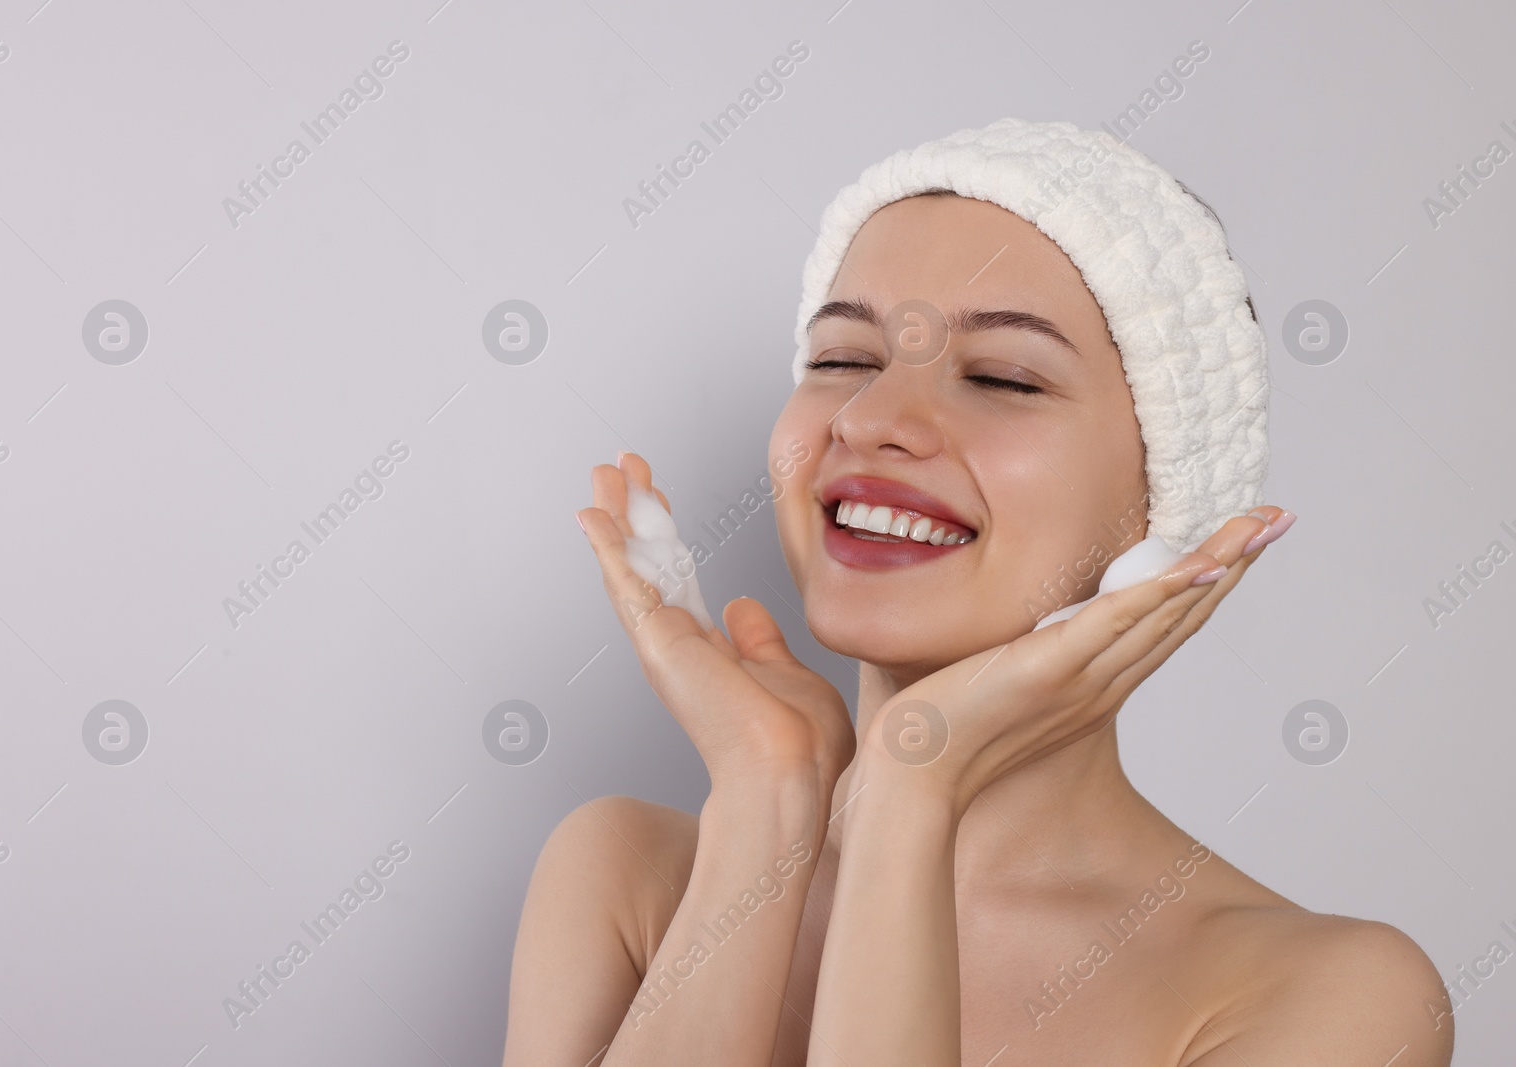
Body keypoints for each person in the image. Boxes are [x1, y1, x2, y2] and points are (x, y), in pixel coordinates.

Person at [504, 120, 1453, 1066]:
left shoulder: (1330, 997)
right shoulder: (631, 876)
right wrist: (766, 797)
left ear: (1165, 506)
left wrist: (912, 792)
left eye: (1001, 377)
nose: (870, 418)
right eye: (842, 359)